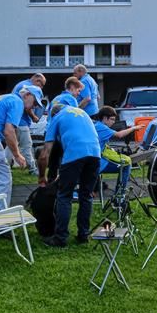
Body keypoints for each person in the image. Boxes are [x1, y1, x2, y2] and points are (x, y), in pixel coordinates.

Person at [42, 104, 101, 247]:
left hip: (75, 155)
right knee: (86, 196)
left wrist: (41, 175)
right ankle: (83, 235)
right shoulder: (82, 113)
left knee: (64, 196)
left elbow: (45, 154)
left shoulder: (56, 117)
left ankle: (60, 238)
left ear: (53, 114)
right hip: (95, 154)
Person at [92, 106, 142, 189]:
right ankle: (120, 195)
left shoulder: (97, 125)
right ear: (104, 118)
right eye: (112, 119)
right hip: (97, 163)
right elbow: (119, 135)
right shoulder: (102, 127)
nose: (113, 122)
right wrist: (134, 128)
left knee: (124, 162)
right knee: (126, 165)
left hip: (94, 159)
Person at [12, 73, 47, 178]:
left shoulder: (22, 84)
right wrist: (34, 117)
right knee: (27, 145)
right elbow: (27, 106)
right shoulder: (27, 88)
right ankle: (32, 169)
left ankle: (3, 166)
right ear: (37, 81)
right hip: (21, 122)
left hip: (16, 121)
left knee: (11, 146)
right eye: (41, 85)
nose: (41, 88)